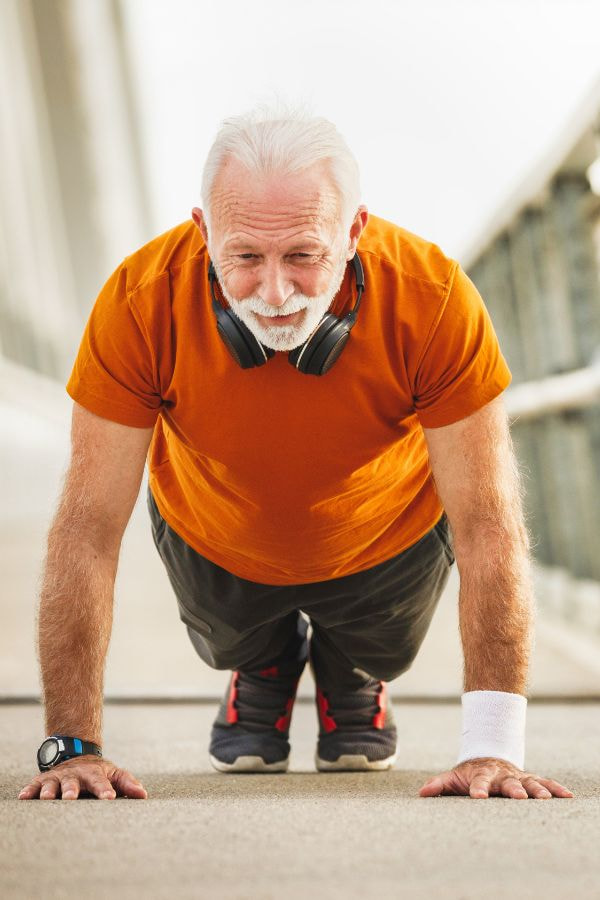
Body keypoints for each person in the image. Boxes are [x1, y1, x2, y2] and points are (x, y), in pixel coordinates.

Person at [19, 103, 574, 803]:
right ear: (203, 232)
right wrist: (70, 749)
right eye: (244, 257)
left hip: (385, 541)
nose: (275, 294)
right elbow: (87, 530)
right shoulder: (139, 301)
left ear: (354, 234)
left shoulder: (434, 301)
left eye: (304, 256)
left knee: (380, 647)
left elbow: (491, 523)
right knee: (236, 639)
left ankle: (352, 669)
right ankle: (261, 663)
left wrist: (494, 748)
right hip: (215, 534)